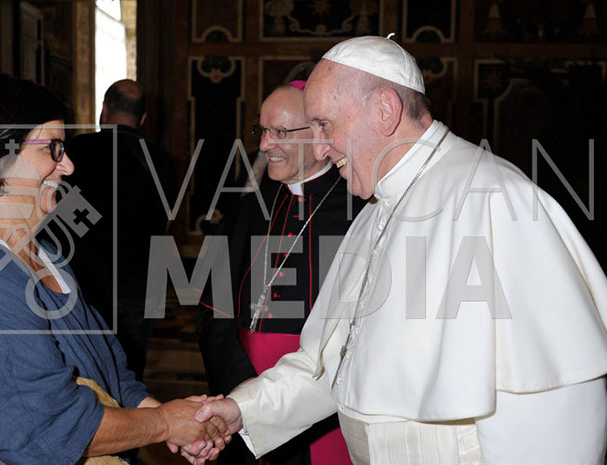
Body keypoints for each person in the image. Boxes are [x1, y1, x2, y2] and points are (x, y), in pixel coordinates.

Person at [192, 36, 607, 464]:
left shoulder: (493, 199)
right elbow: (329, 364)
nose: (318, 149)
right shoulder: (375, 212)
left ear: (385, 109)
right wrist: (242, 410)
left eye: (325, 125)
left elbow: (554, 409)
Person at [0, 74, 226, 464]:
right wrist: (164, 423)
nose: (69, 166)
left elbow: (108, 366)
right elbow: (50, 432)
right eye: (52, 149)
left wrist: (174, 420)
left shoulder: (46, 254)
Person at [196, 80, 366, 465]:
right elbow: (211, 308)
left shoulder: (360, 211)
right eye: (262, 130)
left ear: (320, 136)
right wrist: (242, 386)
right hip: (241, 390)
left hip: (325, 404)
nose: (264, 144)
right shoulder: (246, 209)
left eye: (281, 132)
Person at [66, 79, 177, 382]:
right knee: (130, 372)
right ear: (143, 118)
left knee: (84, 369)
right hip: (141, 285)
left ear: (104, 111)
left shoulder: (74, 152)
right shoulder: (162, 160)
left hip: (83, 283)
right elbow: (166, 223)